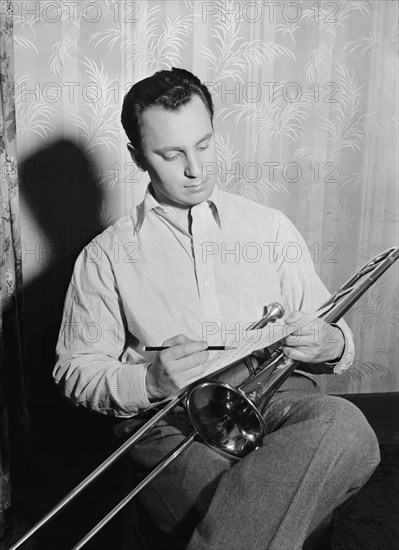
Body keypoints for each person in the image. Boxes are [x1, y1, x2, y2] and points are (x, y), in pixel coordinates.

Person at [53, 68, 380, 550]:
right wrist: (146, 381)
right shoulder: (105, 255)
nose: (195, 169)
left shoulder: (269, 228)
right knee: (260, 492)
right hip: (171, 418)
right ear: (137, 156)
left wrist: (330, 342)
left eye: (204, 145)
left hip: (278, 398)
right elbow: (73, 370)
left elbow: (329, 331)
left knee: (347, 426)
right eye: (171, 154)